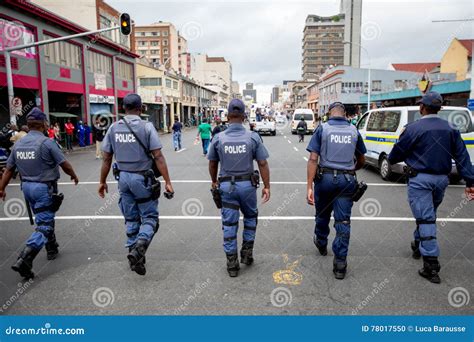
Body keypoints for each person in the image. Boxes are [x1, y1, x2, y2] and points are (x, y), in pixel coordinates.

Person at [388, 91, 474, 284]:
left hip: (420, 180)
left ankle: (431, 265)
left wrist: (393, 160)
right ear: (440, 108)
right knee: (428, 216)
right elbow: (462, 157)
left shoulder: (413, 128)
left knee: (426, 219)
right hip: (442, 180)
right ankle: (418, 244)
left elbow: (397, 152)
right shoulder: (451, 129)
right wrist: (470, 182)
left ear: (422, 108)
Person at [98, 93, 174, 276]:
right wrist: (168, 182)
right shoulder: (147, 127)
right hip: (143, 178)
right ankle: (140, 247)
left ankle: (135, 256)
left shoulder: (114, 128)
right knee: (149, 219)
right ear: (141, 108)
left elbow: (106, 159)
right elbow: (158, 156)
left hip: (123, 178)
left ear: (124, 108)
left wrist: (102, 182)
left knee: (131, 219)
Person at [0, 108, 79, 279]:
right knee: (45, 224)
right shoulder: (47, 143)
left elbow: (8, 170)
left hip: (27, 188)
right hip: (44, 187)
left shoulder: (18, 144)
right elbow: (64, 163)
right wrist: (73, 175)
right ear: (44, 124)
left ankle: (51, 248)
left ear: (28, 125)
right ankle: (25, 258)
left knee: (44, 217)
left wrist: (1, 188)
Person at [207, 98, 271, 277]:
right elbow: (263, 163)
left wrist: (214, 181)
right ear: (244, 116)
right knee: (250, 217)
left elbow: (212, 164)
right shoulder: (252, 137)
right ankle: (247, 253)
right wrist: (267, 186)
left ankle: (232, 263)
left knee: (229, 223)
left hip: (226, 186)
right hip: (248, 186)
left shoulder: (219, 138)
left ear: (227, 117)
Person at [306, 102, 367, 280]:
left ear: (329, 114)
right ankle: (340, 264)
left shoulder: (322, 129)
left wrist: (309, 186)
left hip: (324, 180)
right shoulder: (354, 131)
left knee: (322, 215)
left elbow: (312, 159)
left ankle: (322, 242)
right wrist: (350, 170)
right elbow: (362, 159)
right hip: (347, 181)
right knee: (343, 222)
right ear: (344, 114)